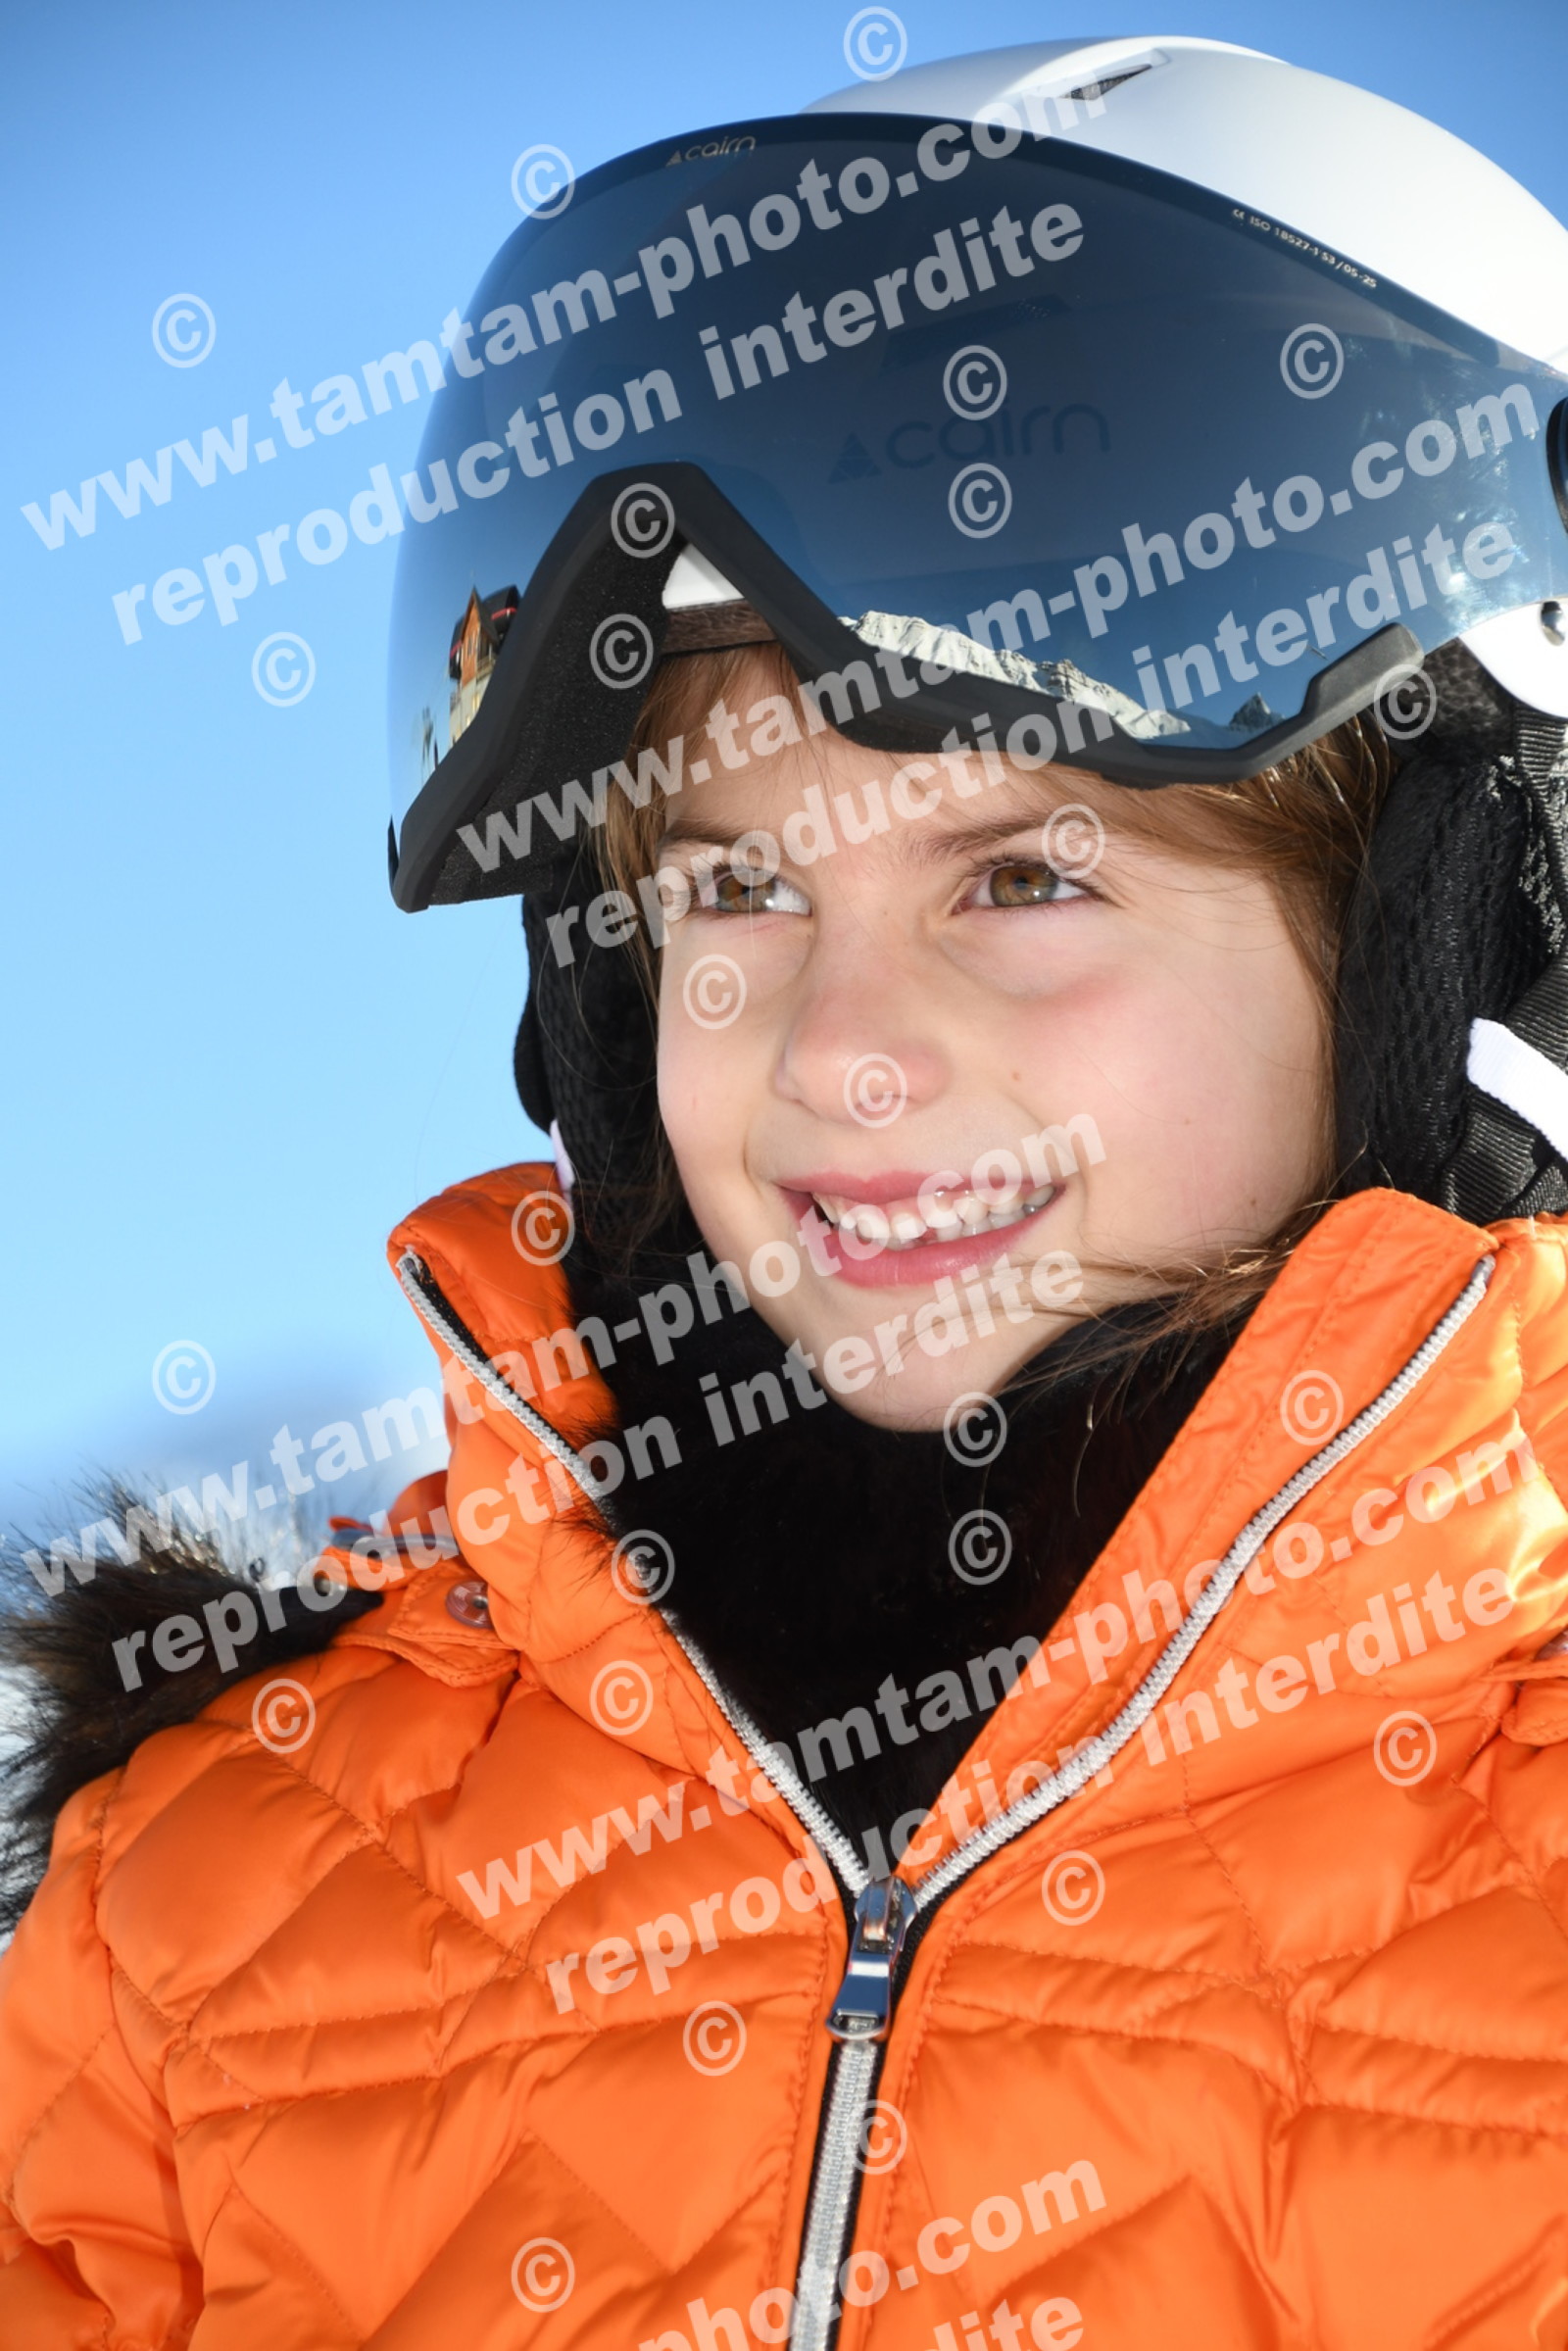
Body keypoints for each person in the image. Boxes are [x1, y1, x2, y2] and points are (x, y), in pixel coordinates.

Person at [6, 30, 1568, 2349]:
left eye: (1021, 876)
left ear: (1429, 960)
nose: (837, 1048)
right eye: (732, 889)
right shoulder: (220, 1890)